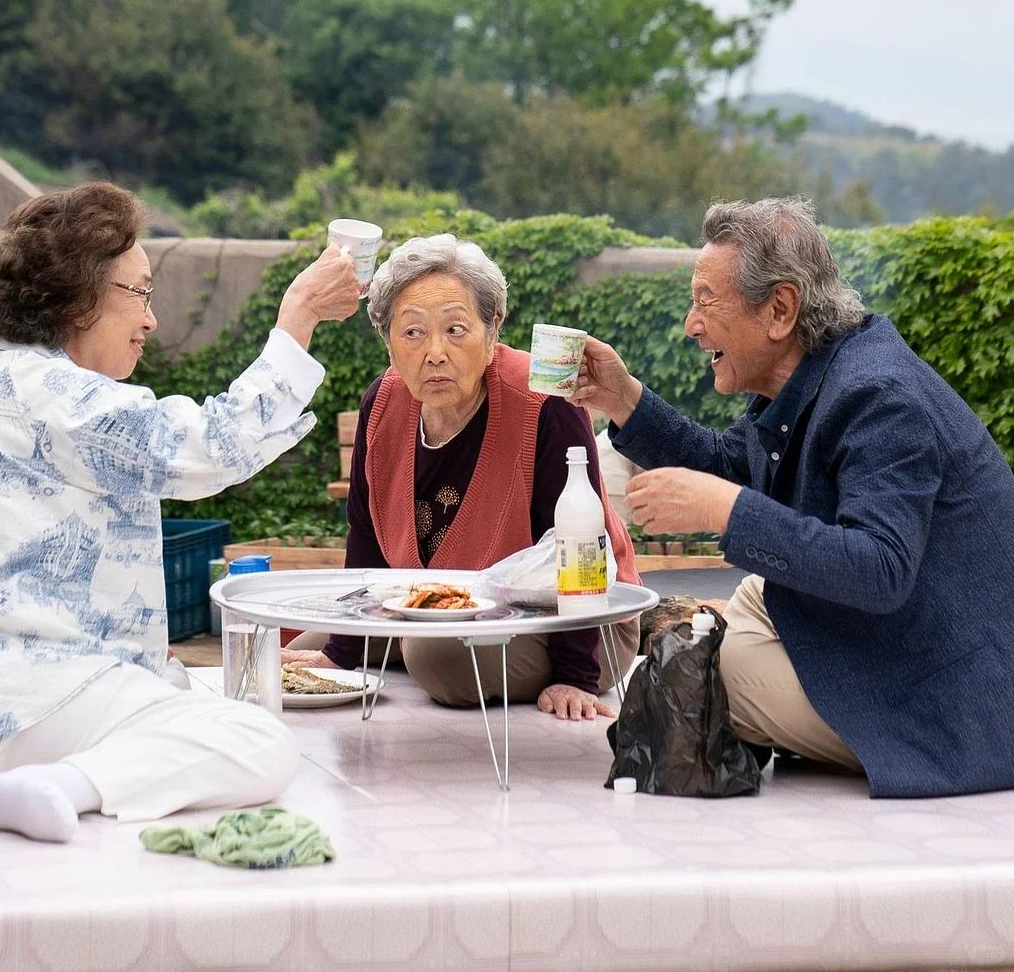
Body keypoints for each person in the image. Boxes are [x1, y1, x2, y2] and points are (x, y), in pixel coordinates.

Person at [0, 182, 360, 841]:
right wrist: (299, 315)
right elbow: (217, 445)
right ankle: (61, 786)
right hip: (28, 708)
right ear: (77, 299)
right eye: (140, 293)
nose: (152, 320)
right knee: (259, 739)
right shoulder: (59, 396)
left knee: (186, 694)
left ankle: (45, 779)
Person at [574, 196, 1014, 798]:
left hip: (951, 693)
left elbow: (881, 570)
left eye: (705, 300)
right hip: (894, 627)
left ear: (780, 309)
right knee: (753, 598)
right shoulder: (811, 374)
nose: (691, 325)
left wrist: (724, 510)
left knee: (711, 671)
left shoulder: (880, 398)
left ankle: (866, 734)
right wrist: (624, 400)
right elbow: (731, 464)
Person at [283, 233, 641, 720]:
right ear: (387, 341)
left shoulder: (545, 402)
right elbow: (365, 536)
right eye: (412, 332)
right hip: (431, 606)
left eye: (456, 329)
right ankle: (403, 641)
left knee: (437, 657)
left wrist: (575, 676)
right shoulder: (382, 403)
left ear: (493, 330)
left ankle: (419, 645)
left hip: (571, 618)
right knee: (299, 650)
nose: (435, 352)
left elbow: (575, 547)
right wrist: (342, 654)